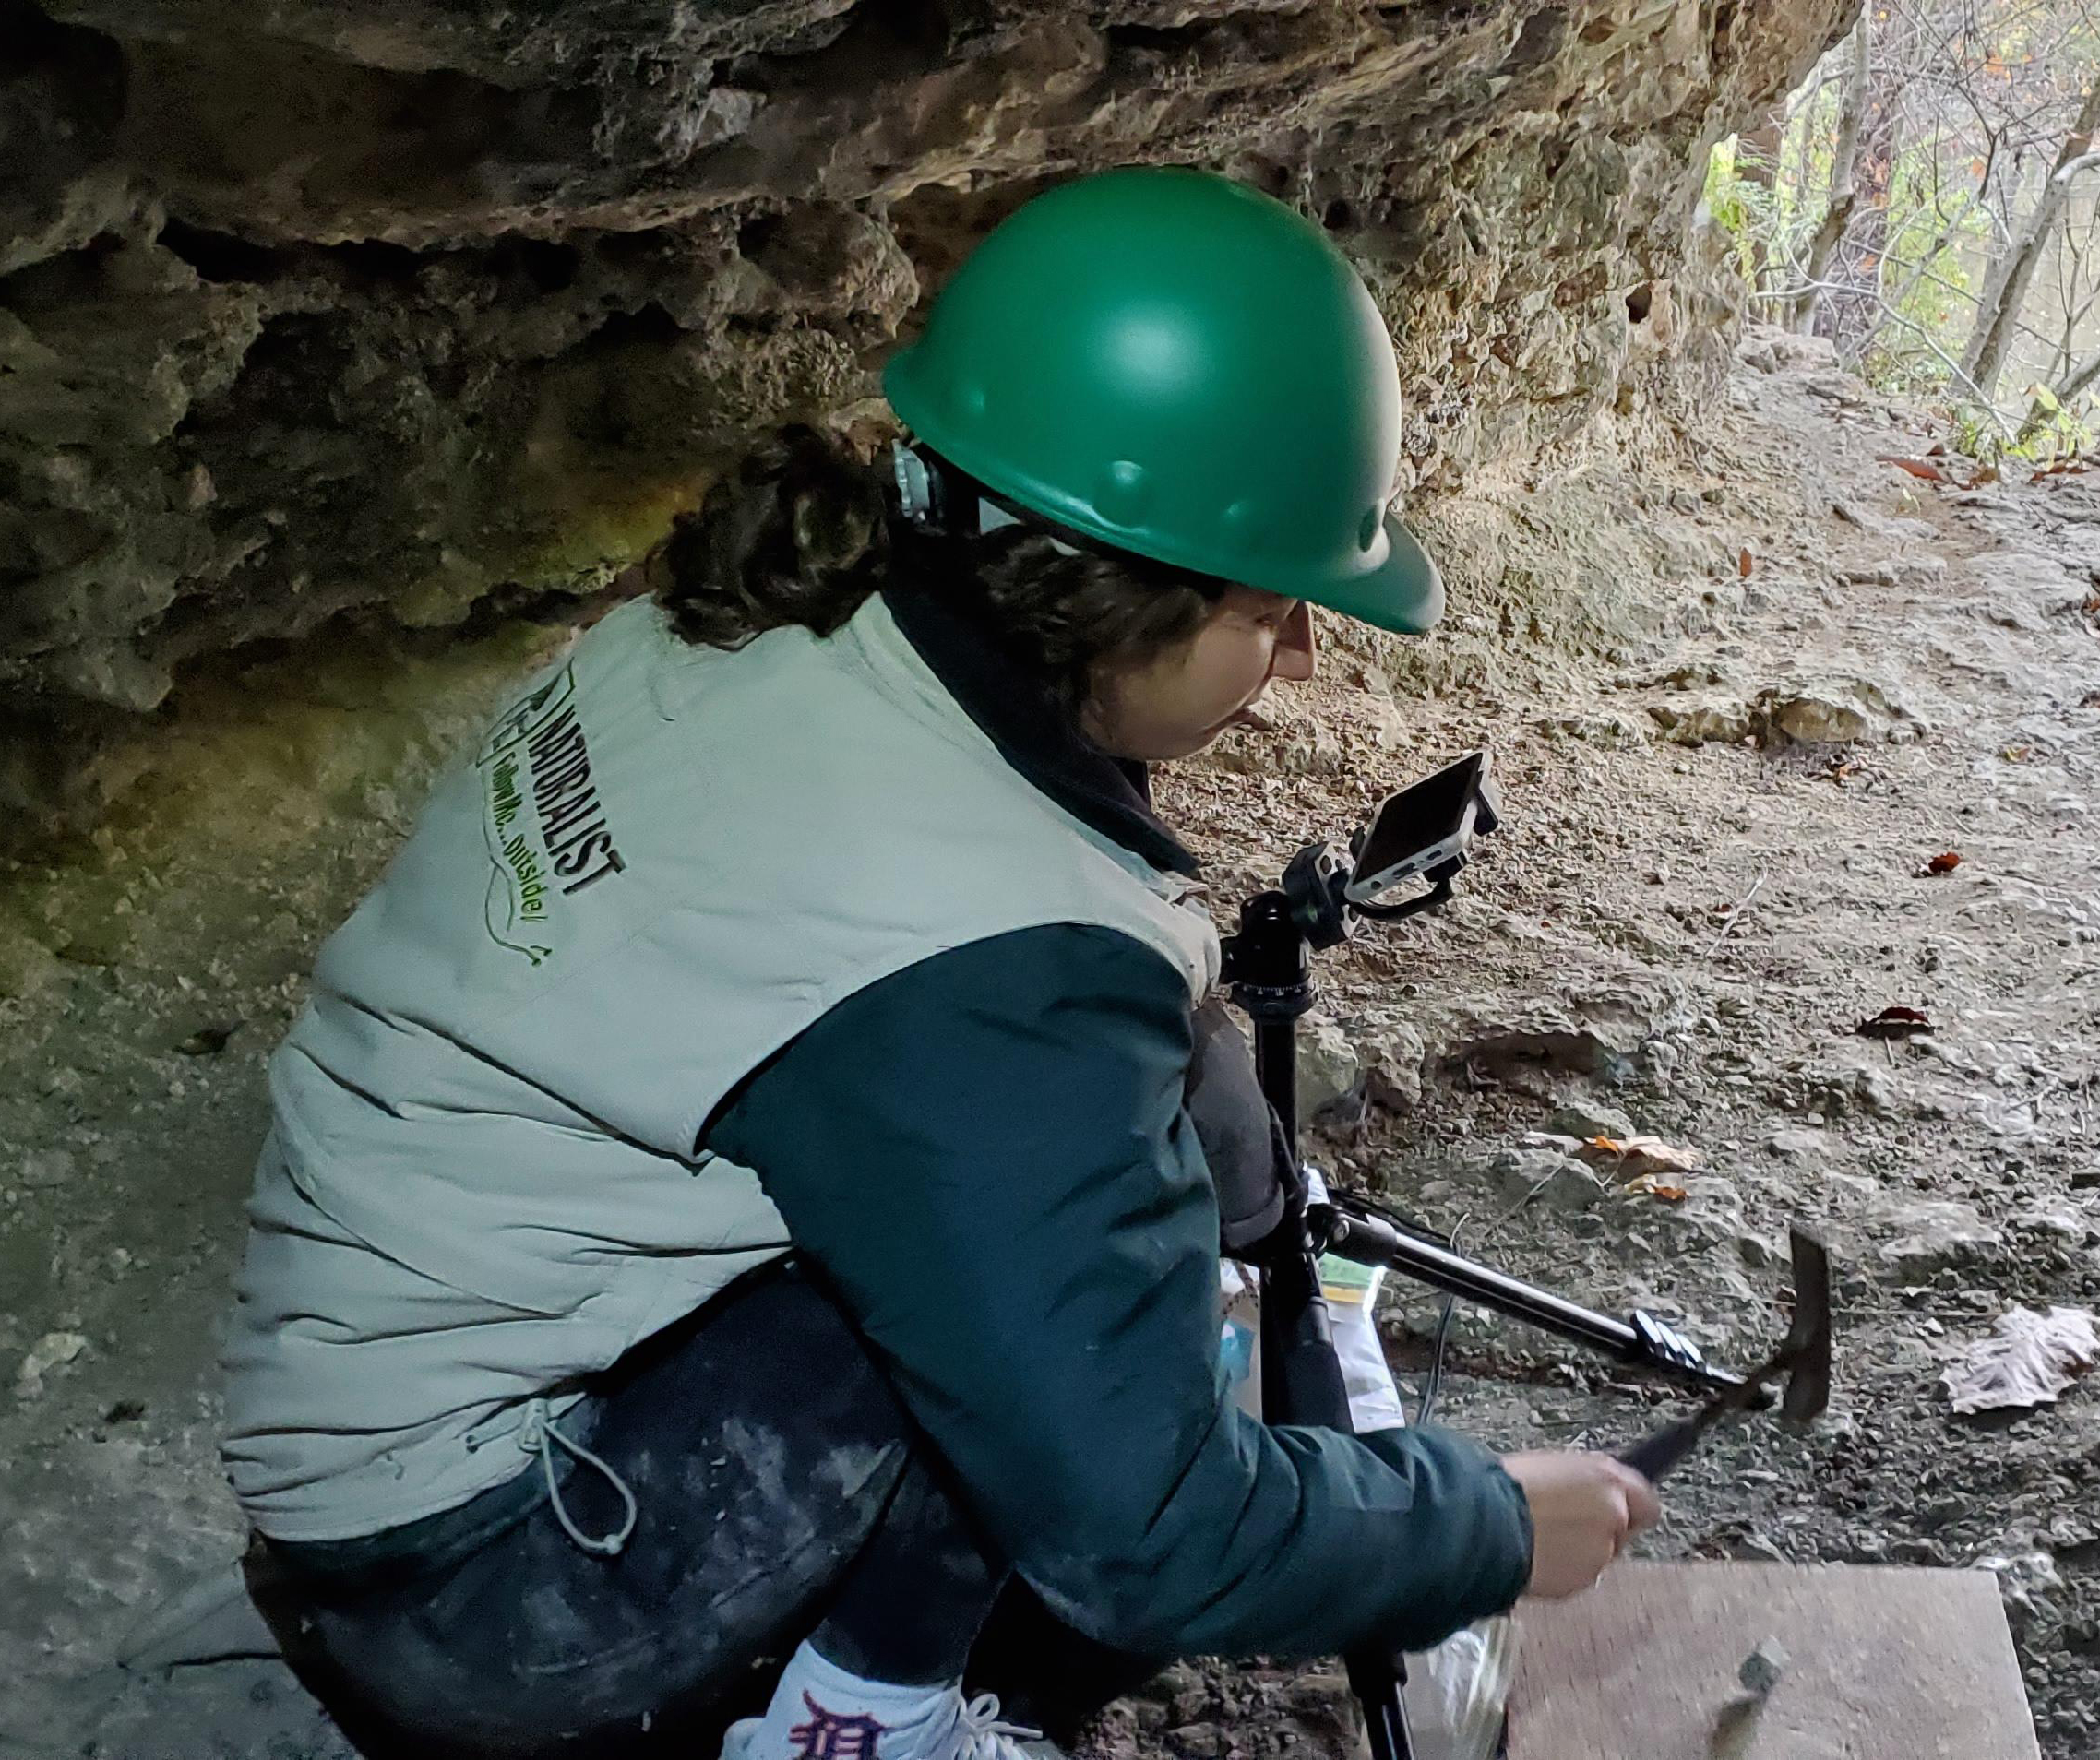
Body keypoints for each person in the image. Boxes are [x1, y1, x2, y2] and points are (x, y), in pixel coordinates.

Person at [221, 166, 1659, 1760]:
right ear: (1128, 599)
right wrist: (1486, 1525)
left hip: (362, 1394)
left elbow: (1082, 1017)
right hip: (484, 1586)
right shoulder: (976, 960)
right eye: (1276, 607)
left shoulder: (776, 617)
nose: (1306, 651)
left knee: (1086, 1208)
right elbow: (1152, 1537)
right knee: (1070, 1321)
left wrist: (1247, 1200)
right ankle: (860, 1726)